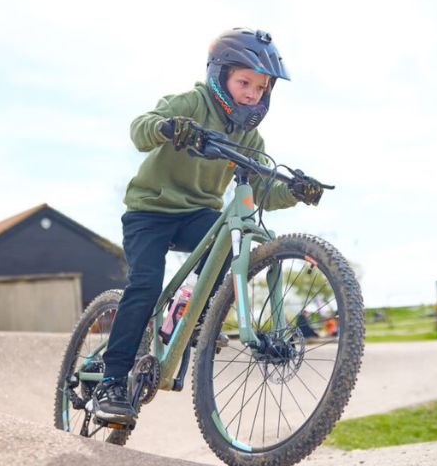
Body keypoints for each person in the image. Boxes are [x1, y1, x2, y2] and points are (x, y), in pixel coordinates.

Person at [87, 28, 324, 421]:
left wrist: (296, 191)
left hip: (197, 214)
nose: (252, 93)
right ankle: (111, 381)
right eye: (244, 82)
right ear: (221, 75)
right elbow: (141, 127)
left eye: (261, 88)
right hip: (150, 209)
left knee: (231, 245)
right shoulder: (192, 102)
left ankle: (198, 318)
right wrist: (167, 128)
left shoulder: (250, 137)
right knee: (145, 284)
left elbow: (263, 190)